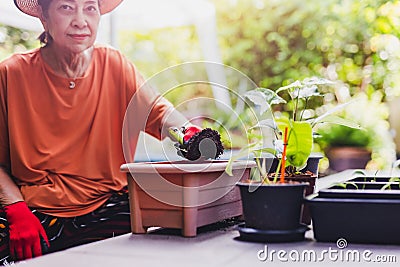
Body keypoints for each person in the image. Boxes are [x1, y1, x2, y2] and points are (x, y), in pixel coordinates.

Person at [0, 0, 203, 264]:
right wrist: (16, 210)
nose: (80, 20)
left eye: (90, 8)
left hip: (108, 204)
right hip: (36, 209)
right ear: (44, 18)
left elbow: (161, 115)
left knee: (179, 239)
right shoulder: (11, 74)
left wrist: (192, 136)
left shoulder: (115, 64)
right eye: (66, 8)